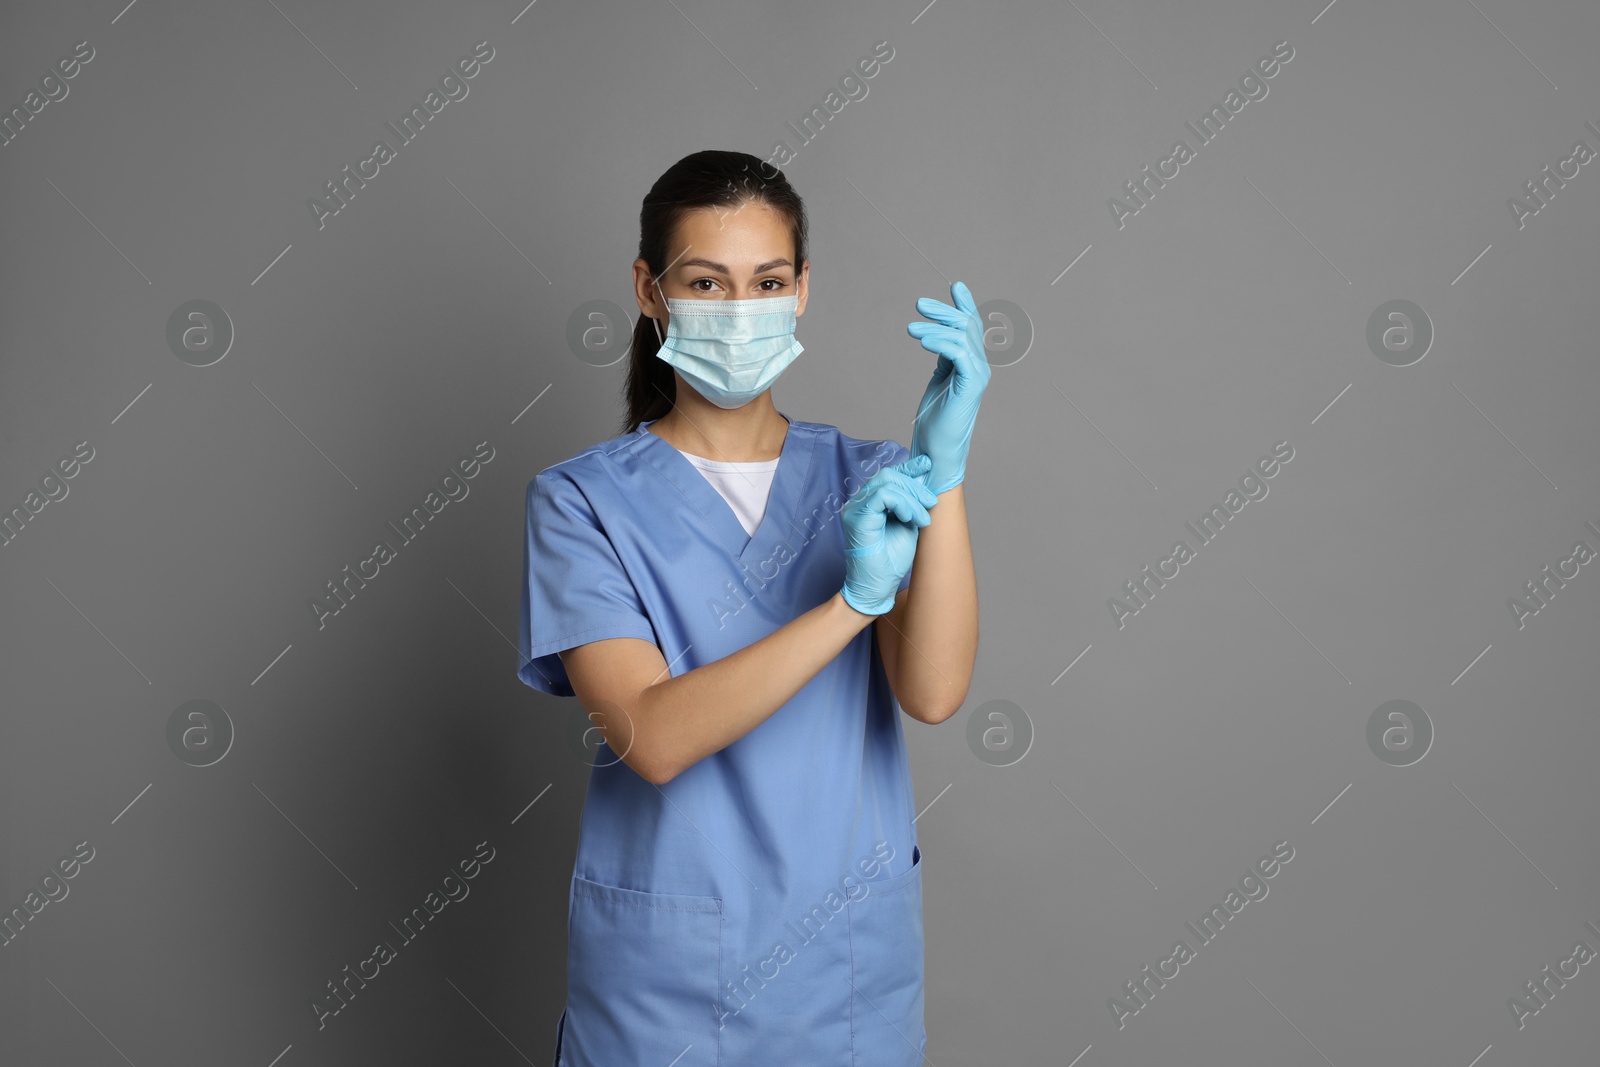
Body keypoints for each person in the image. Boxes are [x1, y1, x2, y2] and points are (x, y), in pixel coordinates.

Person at [517, 149, 987, 1066]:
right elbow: (650, 735)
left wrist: (947, 472)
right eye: (707, 281)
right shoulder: (580, 502)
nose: (742, 310)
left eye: (767, 281)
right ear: (650, 290)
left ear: (803, 290)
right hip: (664, 991)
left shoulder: (873, 478)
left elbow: (932, 692)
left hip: (845, 976)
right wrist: (853, 602)